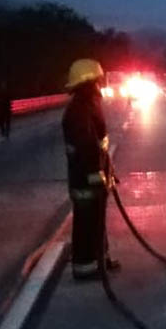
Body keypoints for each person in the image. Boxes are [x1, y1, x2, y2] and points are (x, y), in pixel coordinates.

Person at [62, 59, 120, 280]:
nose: (100, 83)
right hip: (86, 178)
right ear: (89, 82)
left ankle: (100, 261)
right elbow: (87, 147)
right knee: (87, 223)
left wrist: (108, 171)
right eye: (98, 79)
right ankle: (84, 267)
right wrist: (98, 175)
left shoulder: (87, 105)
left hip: (91, 175)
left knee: (96, 221)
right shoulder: (80, 110)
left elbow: (98, 145)